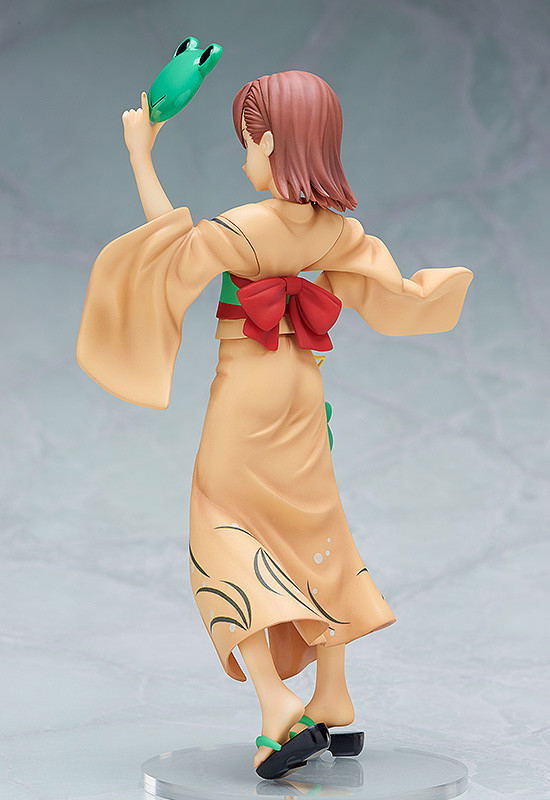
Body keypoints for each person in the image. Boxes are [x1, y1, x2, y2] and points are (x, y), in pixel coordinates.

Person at [77, 70, 473, 776]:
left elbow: (167, 259)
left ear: (269, 142)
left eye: (246, 143)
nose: (243, 160)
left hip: (249, 393)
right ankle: (334, 694)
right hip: (304, 389)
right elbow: (387, 288)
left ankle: (276, 704)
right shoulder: (336, 231)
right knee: (315, 528)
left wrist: (141, 154)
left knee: (222, 527)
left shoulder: (243, 227)